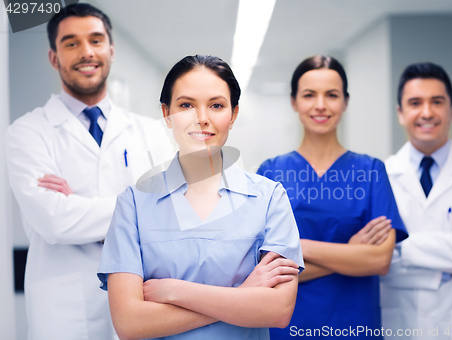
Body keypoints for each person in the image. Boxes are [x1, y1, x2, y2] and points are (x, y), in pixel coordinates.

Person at [97, 55, 304, 340]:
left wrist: (175, 291)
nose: (202, 118)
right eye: (186, 105)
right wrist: (242, 296)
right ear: (167, 114)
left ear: (233, 115)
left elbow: (278, 310)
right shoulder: (133, 204)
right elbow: (129, 324)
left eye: (216, 105)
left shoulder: (269, 198)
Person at [5, 4, 174, 339]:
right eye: (71, 43)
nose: (86, 52)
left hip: (143, 296)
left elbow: (172, 212)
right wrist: (137, 212)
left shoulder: (150, 132)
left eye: (96, 40)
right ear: (54, 57)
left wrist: (78, 207)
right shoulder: (26, 132)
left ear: (110, 50)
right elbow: (53, 220)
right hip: (64, 309)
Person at [257, 55, 408, 339]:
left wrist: (296, 247)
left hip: (353, 325)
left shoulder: (372, 171)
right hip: (289, 326)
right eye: (309, 95)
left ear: (345, 102)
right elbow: (264, 272)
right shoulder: (271, 172)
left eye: (332, 95)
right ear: (293, 102)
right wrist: (350, 253)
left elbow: (379, 261)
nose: (321, 105)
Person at [380, 62, 452, 339]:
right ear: (400, 113)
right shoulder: (382, 176)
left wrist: (399, 247)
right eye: (415, 103)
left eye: (437, 102)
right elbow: (376, 261)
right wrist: (450, 251)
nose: (427, 112)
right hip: (401, 323)